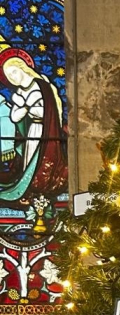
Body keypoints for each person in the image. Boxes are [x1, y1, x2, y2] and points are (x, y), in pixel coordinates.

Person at [0, 49, 67, 202]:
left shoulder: (41, 85)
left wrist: (26, 105)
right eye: (9, 76)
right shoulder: (19, 92)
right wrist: (24, 106)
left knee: (40, 160)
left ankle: (40, 191)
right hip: (31, 131)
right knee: (29, 160)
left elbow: (46, 111)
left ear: (22, 67)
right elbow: (15, 116)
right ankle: (30, 190)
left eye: (14, 72)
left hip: (45, 130)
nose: (12, 77)